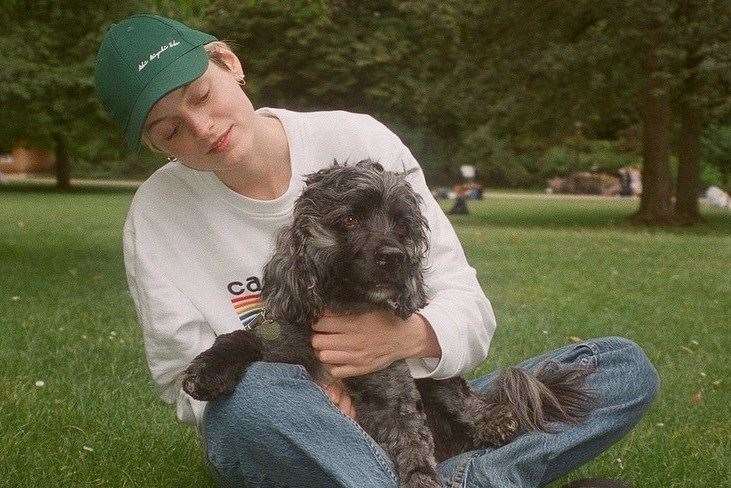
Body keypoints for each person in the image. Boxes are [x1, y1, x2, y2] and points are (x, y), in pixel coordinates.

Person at [95, 14, 659, 488]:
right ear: (152, 145)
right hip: (288, 415)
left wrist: (406, 337)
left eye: (201, 96)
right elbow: (186, 380)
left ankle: (447, 478)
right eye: (169, 132)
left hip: (420, 398)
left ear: (229, 63)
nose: (200, 127)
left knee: (618, 367)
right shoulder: (156, 215)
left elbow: (466, 303)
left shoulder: (359, 139)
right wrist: (316, 389)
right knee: (248, 408)